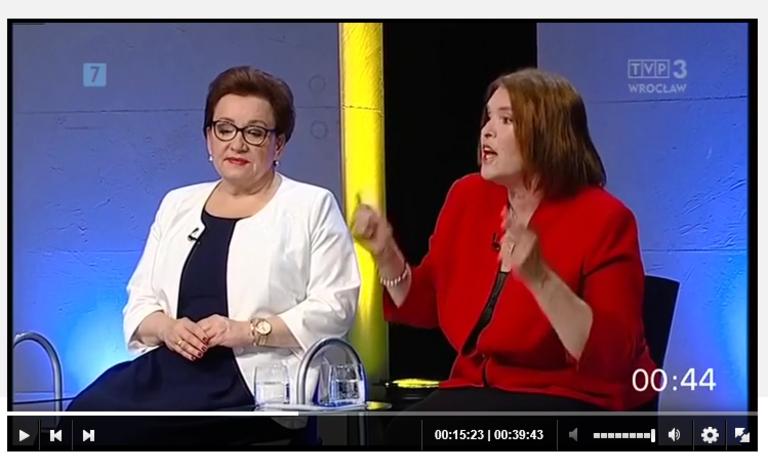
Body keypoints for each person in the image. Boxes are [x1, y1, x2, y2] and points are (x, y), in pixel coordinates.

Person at [351, 68, 658, 444]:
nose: (487, 131)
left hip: (574, 396)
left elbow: (611, 358)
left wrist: (540, 278)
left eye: (506, 120)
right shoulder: (467, 197)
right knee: (404, 435)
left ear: (547, 134)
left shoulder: (605, 219)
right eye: (488, 117)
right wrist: (385, 252)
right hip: (480, 387)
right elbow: (426, 303)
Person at [66, 66, 361, 446]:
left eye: (254, 132)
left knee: (134, 433)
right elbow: (141, 301)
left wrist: (248, 330)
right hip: (171, 368)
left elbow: (335, 306)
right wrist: (168, 329)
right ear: (209, 136)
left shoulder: (311, 205)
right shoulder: (178, 204)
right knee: (82, 418)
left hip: (255, 383)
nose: (237, 144)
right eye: (224, 129)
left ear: (279, 145)